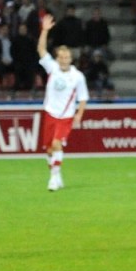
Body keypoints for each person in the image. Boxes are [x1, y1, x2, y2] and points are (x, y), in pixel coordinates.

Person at [37, 14, 89, 192]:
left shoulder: (77, 76)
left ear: (71, 59)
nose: (64, 60)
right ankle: (57, 174)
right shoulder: (52, 68)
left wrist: (79, 114)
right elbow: (41, 50)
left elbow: (83, 97)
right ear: (58, 58)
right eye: (61, 57)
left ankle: (52, 178)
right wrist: (44, 30)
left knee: (57, 143)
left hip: (65, 116)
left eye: (67, 58)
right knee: (49, 150)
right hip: (50, 112)